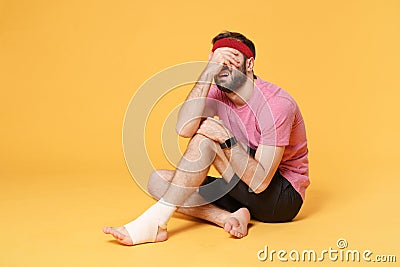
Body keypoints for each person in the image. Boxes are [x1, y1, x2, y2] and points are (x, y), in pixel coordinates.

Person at [103, 31, 310, 245]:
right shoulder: (218, 93)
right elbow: (184, 128)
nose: (222, 67)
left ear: (249, 65)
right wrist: (206, 73)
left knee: (207, 138)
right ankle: (229, 218)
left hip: (281, 197)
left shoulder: (276, 105)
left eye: (230, 60)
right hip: (242, 185)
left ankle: (155, 222)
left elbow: (260, 183)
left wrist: (224, 136)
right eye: (217, 60)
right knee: (158, 181)